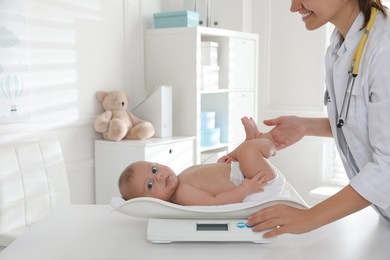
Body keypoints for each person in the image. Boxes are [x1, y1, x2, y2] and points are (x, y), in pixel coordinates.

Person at [246, 0, 390, 238]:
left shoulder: (384, 48)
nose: (294, 7)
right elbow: (364, 122)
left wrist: (309, 218)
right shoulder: (339, 45)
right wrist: (306, 126)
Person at [118, 117, 283, 206]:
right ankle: (269, 142)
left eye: (154, 170)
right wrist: (246, 190)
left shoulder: (180, 179)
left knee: (237, 154)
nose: (158, 177)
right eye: (150, 185)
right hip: (259, 183)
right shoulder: (182, 195)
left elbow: (209, 180)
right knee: (246, 152)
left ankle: (251, 141)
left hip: (241, 173)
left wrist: (221, 165)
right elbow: (214, 202)